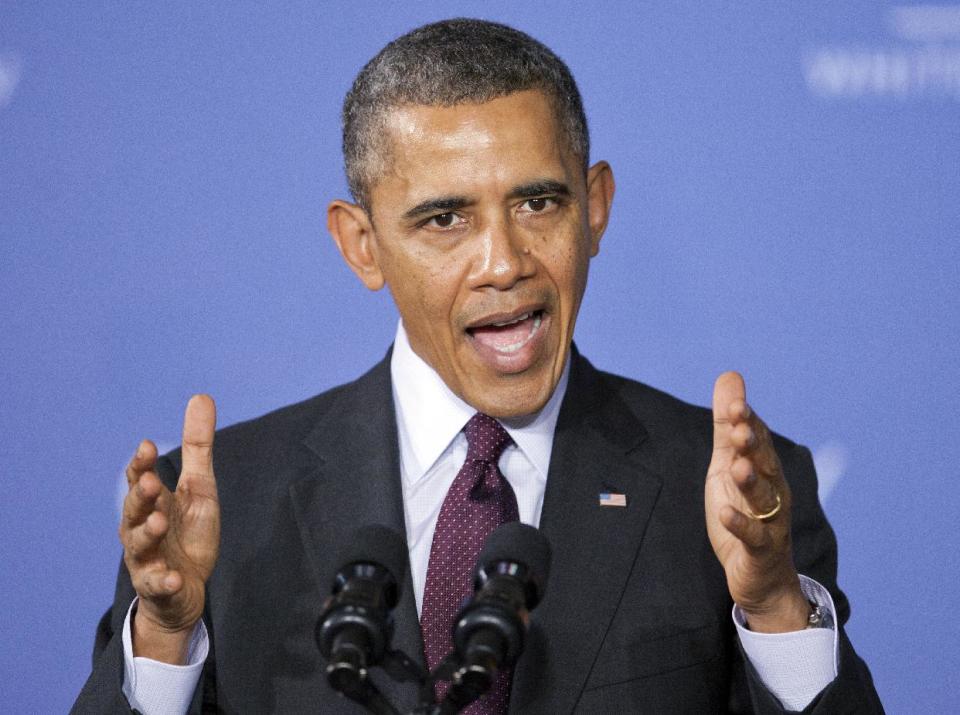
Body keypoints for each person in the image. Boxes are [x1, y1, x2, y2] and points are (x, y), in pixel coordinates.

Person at [73, 18, 883, 714]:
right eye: (445, 217)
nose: (504, 262)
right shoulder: (226, 508)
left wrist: (775, 605)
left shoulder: (728, 494)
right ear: (362, 245)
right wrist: (170, 637)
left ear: (594, 207)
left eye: (539, 203)